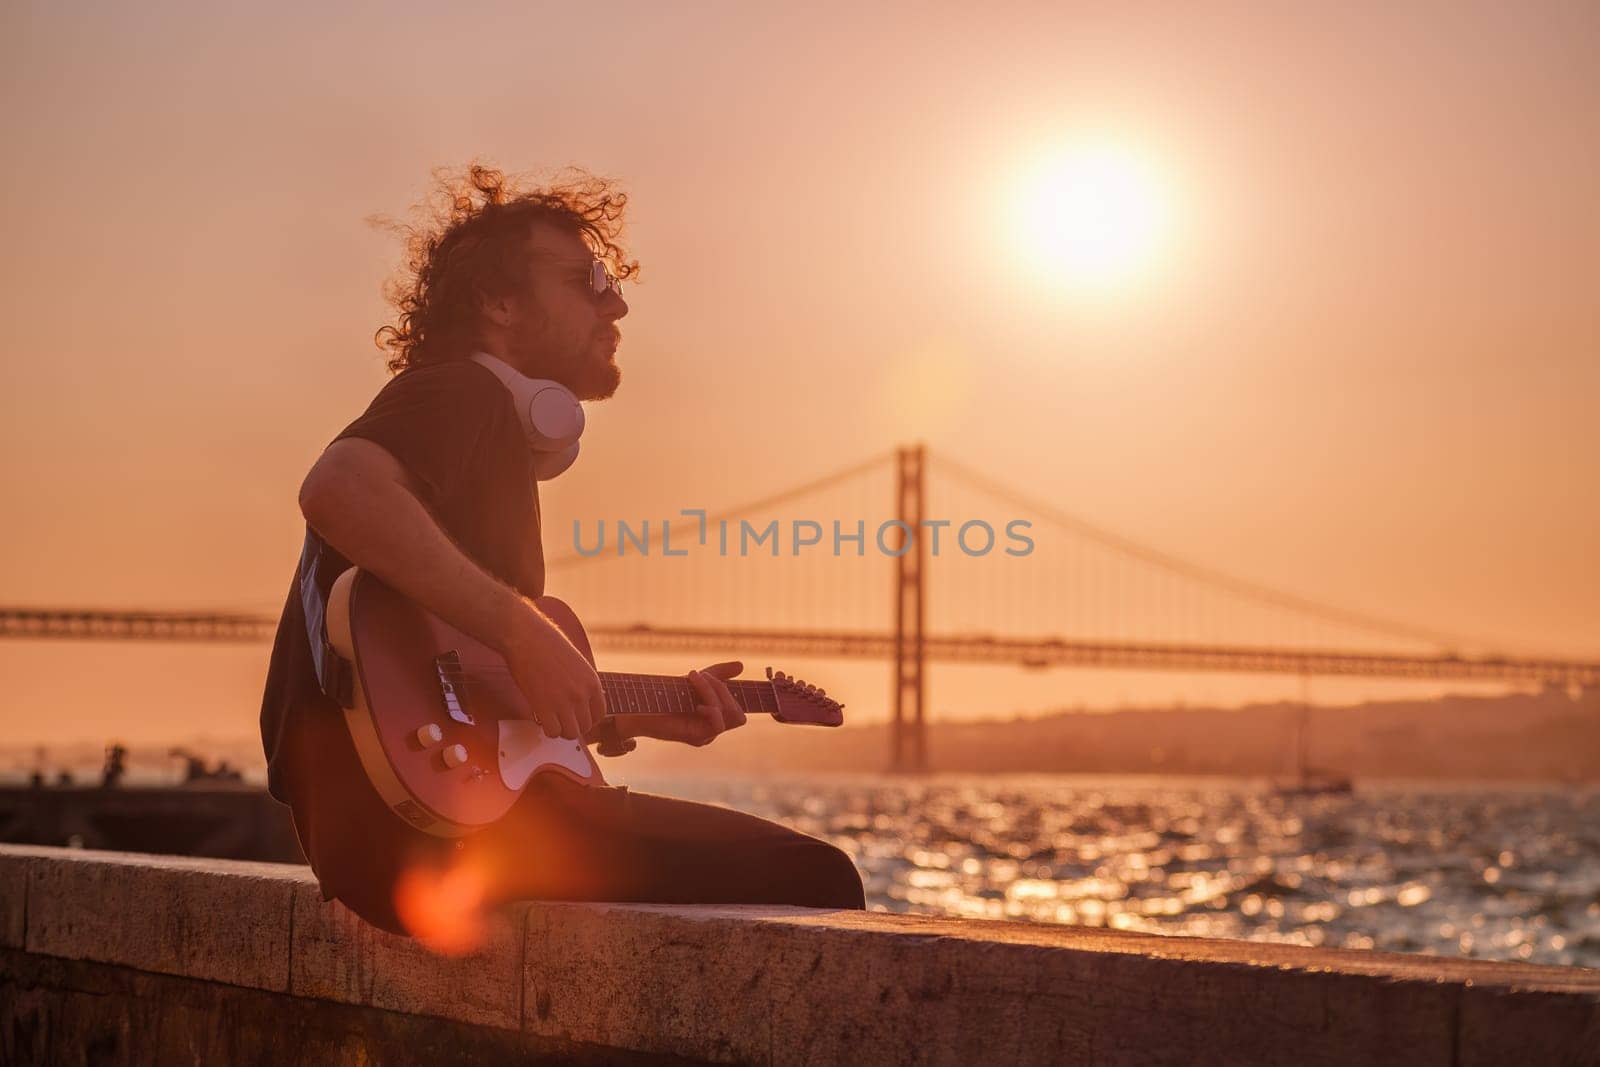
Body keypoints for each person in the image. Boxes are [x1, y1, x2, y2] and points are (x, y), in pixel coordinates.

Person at [258, 165, 864, 939]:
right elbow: (337, 487)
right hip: (439, 836)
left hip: (395, 841)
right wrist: (525, 631)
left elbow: (460, 686)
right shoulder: (461, 395)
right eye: (588, 279)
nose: (615, 301)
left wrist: (632, 714)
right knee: (818, 876)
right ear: (498, 303)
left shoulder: (469, 432)